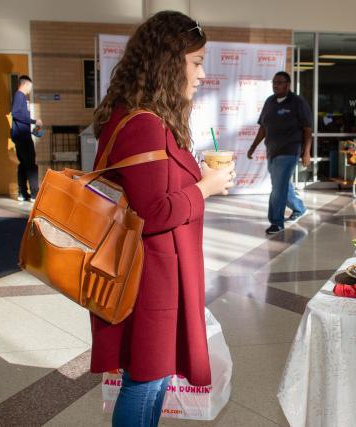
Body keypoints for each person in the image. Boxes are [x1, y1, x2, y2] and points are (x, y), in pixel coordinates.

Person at [90, 11, 235, 427]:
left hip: (155, 275)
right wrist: (205, 187)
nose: (202, 73)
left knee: (152, 380)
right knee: (146, 381)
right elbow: (154, 213)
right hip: (150, 279)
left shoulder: (143, 116)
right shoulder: (145, 125)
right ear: (168, 63)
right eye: (196, 62)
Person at [247, 71, 311, 235]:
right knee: (281, 185)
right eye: (274, 82)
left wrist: (306, 152)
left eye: (279, 82)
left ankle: (276, 222)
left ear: (288, 85)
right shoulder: (270, 102)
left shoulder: (297, 102)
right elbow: (263, 127)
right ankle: (300, 208)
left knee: (278, 188)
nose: (276, 85)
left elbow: (307, 129)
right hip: (272, 151)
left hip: (290, 150)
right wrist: (253, 146)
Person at [11, 75, 42, 202]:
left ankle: (22, 193)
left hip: (20, 136)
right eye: (30, 87)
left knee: (23, 165)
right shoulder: (20, 96)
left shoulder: (20, 97)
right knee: (31, 166)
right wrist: (34, 121)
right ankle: (35, 194)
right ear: (25, 84)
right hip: (23, 137)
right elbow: (16, 113)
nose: (30, 90)